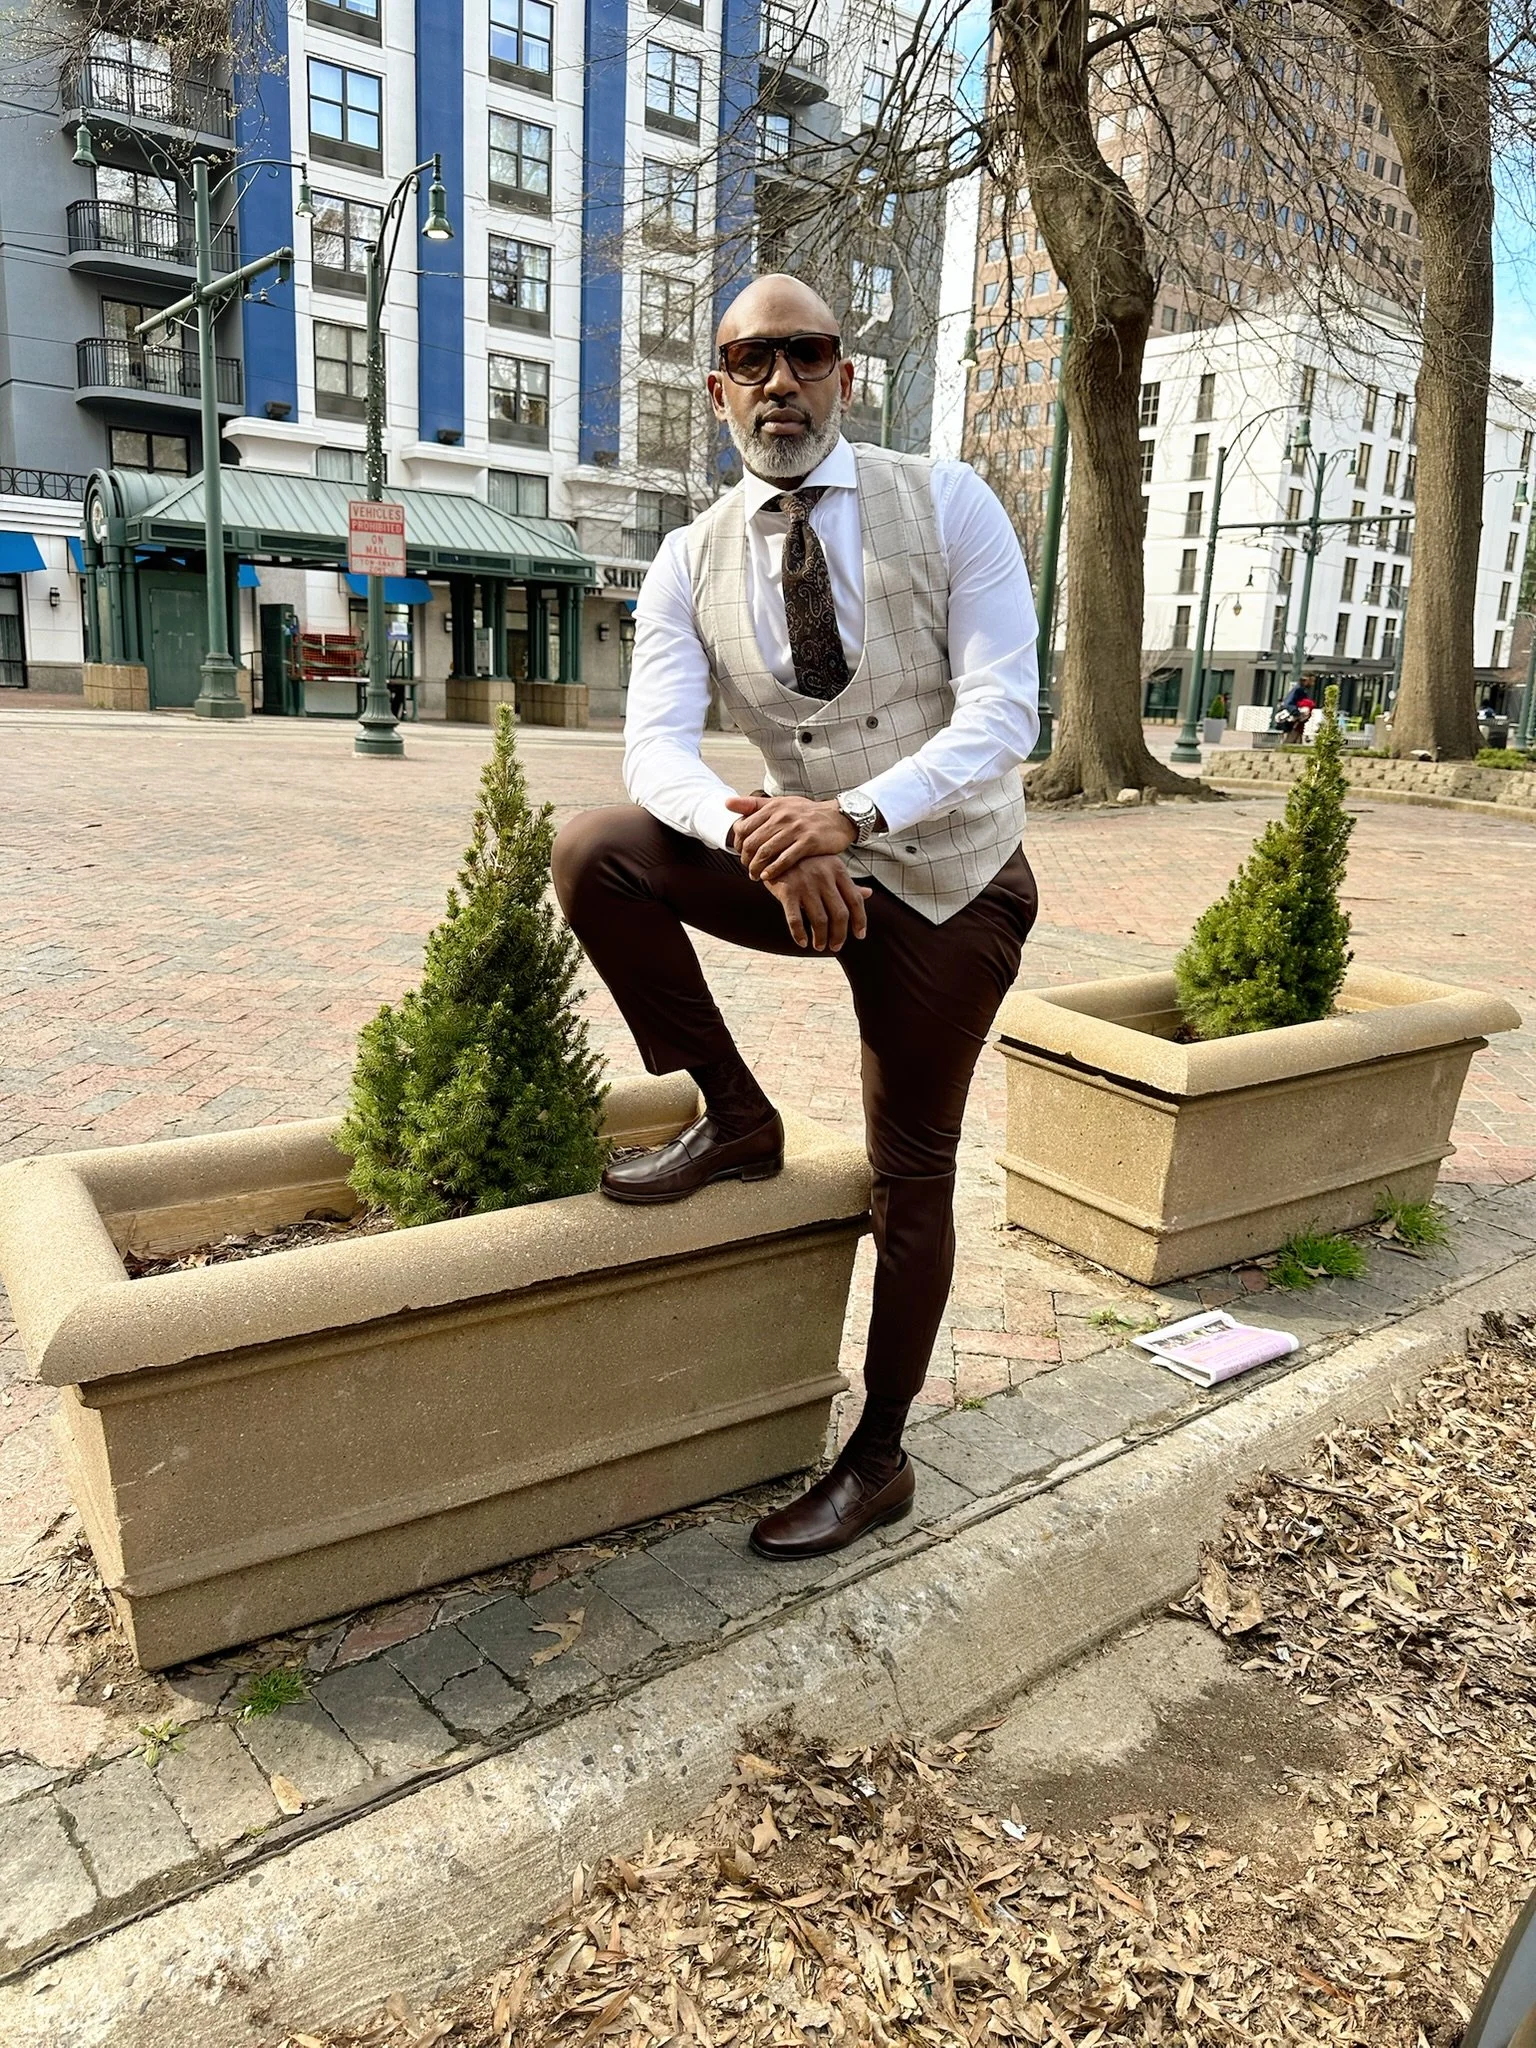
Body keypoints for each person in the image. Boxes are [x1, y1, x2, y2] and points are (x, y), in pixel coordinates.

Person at [552, 274, 1040, 1560]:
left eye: (806, 354)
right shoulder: (688, 557)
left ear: (844, 375)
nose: (781, 381)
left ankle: (879, 1457)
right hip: (806, 869)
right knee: (597, 850)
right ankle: (738, 1114)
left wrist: (851, 817)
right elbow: (653, 753)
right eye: (752, 360)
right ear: (717, 392)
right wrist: (759, 835)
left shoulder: (949, 502)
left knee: (909, 1174)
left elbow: (1005, 712)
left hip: (951, 884)